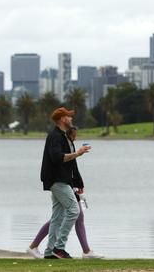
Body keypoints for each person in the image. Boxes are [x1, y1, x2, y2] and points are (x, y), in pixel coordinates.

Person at [27, 126, 103, 259]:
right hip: (62, 183)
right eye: (75, 135)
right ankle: (55, 248)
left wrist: (79, 183)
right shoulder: (60, 141)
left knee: (66, 217)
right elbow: (60, 162)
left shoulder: (69, 143)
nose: (76, 137)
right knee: (71, 214)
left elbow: (73, 166)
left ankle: (58, 250)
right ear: (69, 134)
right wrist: (78, 154)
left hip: (68, 183)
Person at [39, 107, 91, 259]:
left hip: (62, 181)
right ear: (62, 119)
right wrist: (78, 153)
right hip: (57, 180)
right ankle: (59, 247)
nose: (71, 119)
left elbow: (71, 164)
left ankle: (49, 252)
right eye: (69, 116)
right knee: (74, 211)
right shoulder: (55, 136)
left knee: (57, 216)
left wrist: (77, 182)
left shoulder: (63, 136)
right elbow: (57, 158)